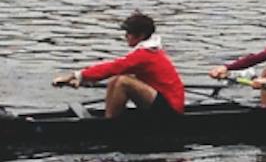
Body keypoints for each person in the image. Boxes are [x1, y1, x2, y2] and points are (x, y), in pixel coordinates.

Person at [53, 12, 186, 118]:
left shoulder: (146, 55)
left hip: (171, 110)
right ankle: (109, 118)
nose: (125, 36)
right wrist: (83, 81)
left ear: (141, 35)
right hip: (161, 101)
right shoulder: (148, 51)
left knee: (123, 81)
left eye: (129, 33)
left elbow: (113, 66)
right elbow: (114, 70)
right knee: (117, 78)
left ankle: (109, 125)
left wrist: (74, 75)